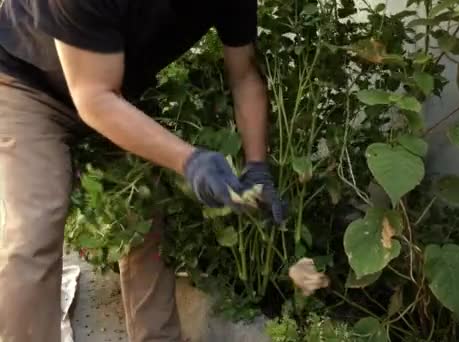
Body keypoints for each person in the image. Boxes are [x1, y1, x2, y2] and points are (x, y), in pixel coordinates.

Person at [0, 0, 286, 341]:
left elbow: (244, 77)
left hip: (114, 88)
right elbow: (93, 97)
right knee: (34, 230)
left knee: (144, 215)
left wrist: (257, 168)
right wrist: (189, 160)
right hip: (25, 83)